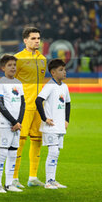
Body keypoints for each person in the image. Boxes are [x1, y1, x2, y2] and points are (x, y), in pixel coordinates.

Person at [12, 27, 47, 188]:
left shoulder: (42, 59)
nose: (37, 41)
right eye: (33, 38)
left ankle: (33, 177)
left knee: (37, 139)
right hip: (23, 106)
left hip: (39, 107)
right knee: (20, 141)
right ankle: (13, 178)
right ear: (25, 41)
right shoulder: (17, 59)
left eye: (38, 38)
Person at [35, 59, 71, 189]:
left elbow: (67, 103)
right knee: (53, 152)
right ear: (53, 72)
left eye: (64, 69)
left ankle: (53, 180)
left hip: (60, 126)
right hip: (50, 126)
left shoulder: (65, 87)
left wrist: (67, 120)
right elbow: (38, 101)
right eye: (61, 70)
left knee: (56, 153)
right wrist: (45, 118)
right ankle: (48, 181)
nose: (64, 72)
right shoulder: (50, 85)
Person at [0, 54, 25, 193]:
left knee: (13, 154)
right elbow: (0, 105)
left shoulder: (18, 83)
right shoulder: (1, 83)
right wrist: (14, 122)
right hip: (4, 123)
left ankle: (9, 183)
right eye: (10, 65)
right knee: (2, 153)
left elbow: (23, 104)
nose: (13, 67)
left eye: (14, 65)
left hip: (16, 125)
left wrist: (19, 122)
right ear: (3, 68)